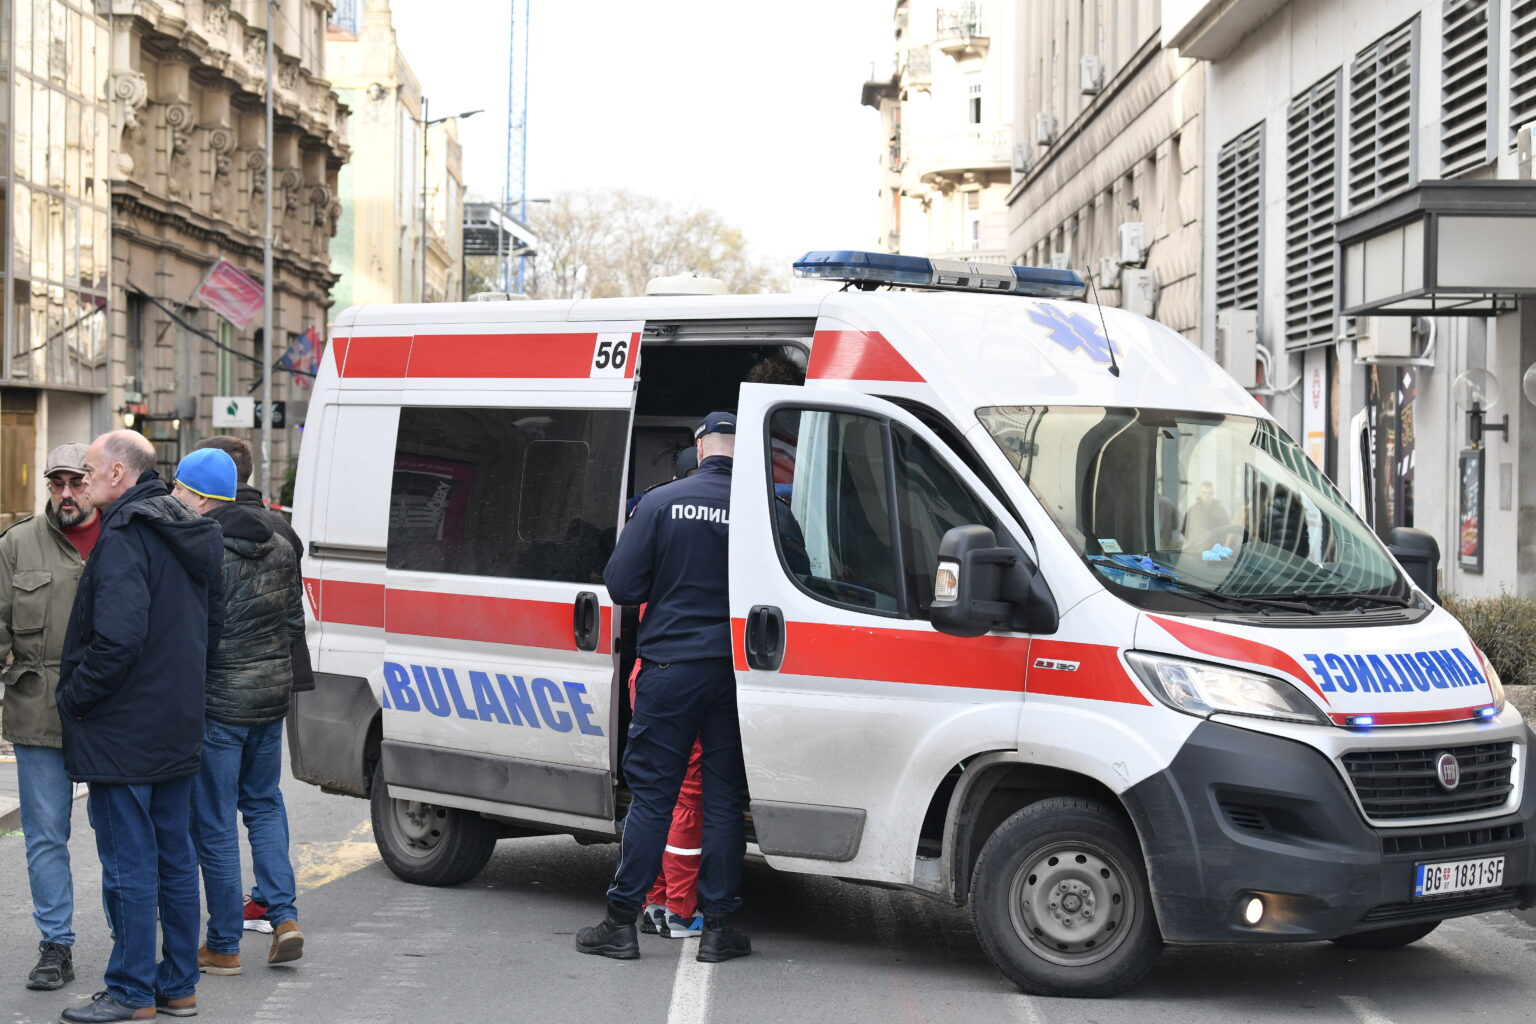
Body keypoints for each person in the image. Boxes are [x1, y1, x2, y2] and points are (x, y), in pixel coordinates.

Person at [55, 430, 225, 1024]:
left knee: (131, 862)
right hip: (175, 721)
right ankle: (177, 985)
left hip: (125, 727)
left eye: (92, 468)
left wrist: (74, 696)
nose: (85, 476)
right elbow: (213, 630)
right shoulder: (193, 533)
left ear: (121, 475)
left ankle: (130, 990)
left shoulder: (127, 533)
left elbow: (118, 639)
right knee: (174, 856)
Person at [576, 411, 752, 964]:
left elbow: (621, 585)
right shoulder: (764, 511)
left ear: (700, 448)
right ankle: (720, 930)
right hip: (736, 672)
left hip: (670, 668)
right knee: (723, 800)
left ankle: (621, 923)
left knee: (653, 796)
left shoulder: (657, 503)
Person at [171, 448, 307, 976]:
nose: (175, 499)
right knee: (265, 806)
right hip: (270, 700)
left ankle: (224, 943)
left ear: (202, 497)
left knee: (215, 822)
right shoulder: (279, 542)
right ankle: (285, 918)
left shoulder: (200, 547)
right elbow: (294, 628)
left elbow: (190, 636)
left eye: (180, 490)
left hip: (220, 705)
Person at [0, 443, 101, 991]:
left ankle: (131, 941)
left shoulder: (123, 535)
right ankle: (55, 945)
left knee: (120, 833)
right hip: (37, 707)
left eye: (76, 483)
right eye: (56, 483)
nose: (65, 494)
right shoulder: (17, 544)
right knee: (44, 837)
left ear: (94, 484)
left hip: (111, 712)